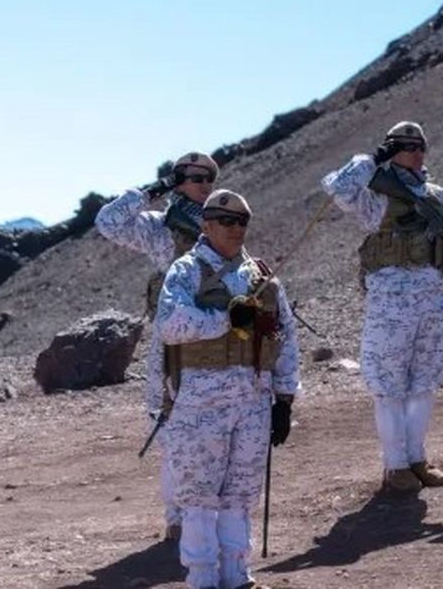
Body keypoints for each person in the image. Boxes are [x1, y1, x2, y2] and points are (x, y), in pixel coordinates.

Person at [321, 121, 443, 492]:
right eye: (403, 145)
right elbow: (337, 189)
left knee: (424, 382)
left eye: (419, 145)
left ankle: (417, 457)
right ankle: (395, 465)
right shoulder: (374, 191)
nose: (414, 151)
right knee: (389, 385)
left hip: (434, 299)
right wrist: (371, 159)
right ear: (389, 148)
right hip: (391, 302)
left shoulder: (437, 195)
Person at [154, 189, 300, 589]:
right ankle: (202, 578)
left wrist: (284, 399)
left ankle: (238, 576)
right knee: (200, 497)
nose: (236, 229)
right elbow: (170, 323)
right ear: (206, 225)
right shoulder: (185, 271)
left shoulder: (261, 276)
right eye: (226, 221)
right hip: (201, 403)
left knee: (240, 494)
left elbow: (284, 336)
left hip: (253, 401)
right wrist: (224, 318)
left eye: (242, 222)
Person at [95, 150, 219, 540]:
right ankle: (178, 519)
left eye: (207, 179)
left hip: (216, 336)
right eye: (194, 178)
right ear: (178, 180)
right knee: (171, 426)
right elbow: (108, 222)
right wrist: (155, 189)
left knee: (213, 426)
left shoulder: (220, 224)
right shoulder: (160, 227)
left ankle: (205, 515)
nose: (203, 186)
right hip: (172, 341)